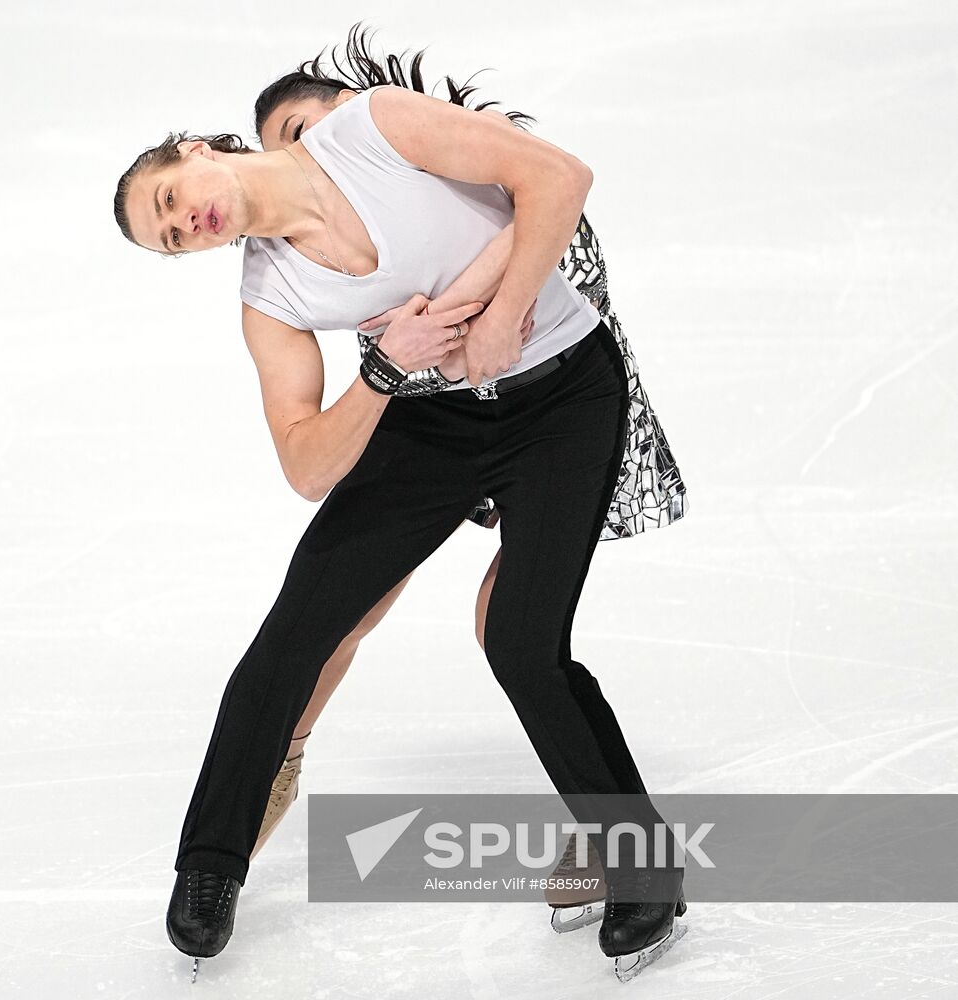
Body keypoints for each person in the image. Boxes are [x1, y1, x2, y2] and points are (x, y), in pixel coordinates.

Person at [114, 51, 688, 983]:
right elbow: (306, 464)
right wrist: (387, 368)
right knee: (294, 633)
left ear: (192, 150)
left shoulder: (373, 126)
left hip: (564, 397)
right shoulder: (270, 298)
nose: (186, 222)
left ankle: (640, 866)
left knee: (522, 641)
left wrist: (496, 320)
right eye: (171, 238)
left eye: (171, 199)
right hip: (430, 420)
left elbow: (559, 176)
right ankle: (208, 868)